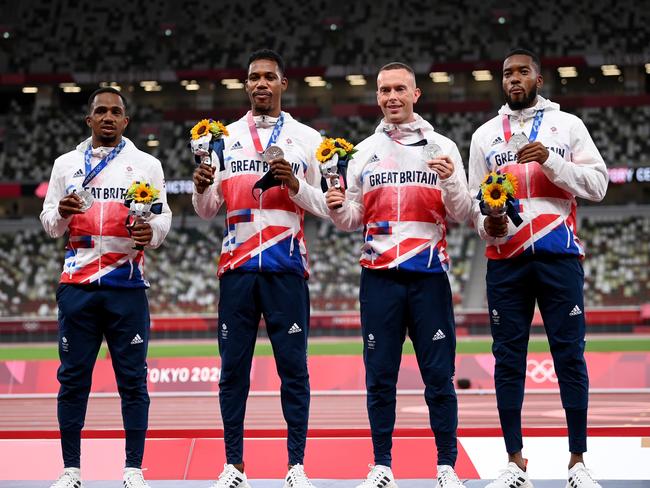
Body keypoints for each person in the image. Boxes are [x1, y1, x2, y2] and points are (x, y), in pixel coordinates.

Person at [325, 62, 472, 488]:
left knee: (439, 378)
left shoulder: (442, 146)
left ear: (415, 94)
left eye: (400, 89)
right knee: (380, 378)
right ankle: (382, 466)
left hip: (428, 277)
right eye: (385, 90)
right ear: (377, 96)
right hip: (379, 278)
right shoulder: (361, 153)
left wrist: (450, 184)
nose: (392, 97)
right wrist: (337, 206)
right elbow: (353, 218)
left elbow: (462, 213)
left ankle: (446, 467)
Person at [468, 48, 608, 488]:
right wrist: (488, 223)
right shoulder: (485, 135)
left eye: (522, 72)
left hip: (558, 258)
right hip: (505, 262)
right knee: (508, 361)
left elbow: (599, 184)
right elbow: (475, 204)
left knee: (570, 356)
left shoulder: (568, 127)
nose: (514, 79)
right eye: (507, 73)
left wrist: (551, 159)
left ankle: (577, 462)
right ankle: (515, 462)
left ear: (538, 79)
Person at [192, 49, 329, 488]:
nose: (261, 84)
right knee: (233, 371)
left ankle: (296, 467)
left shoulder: (309, 139)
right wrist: (199, 188)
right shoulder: (221, 138)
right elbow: (207, 210)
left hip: (287, 269)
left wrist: (294, 183)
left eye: (270, 77)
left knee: (295, 370)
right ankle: (234, 465)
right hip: (236, 269)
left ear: (283, 84)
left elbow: (328, 206)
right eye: (254, 78)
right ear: (246, 85)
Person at [40, 87, 172, 488]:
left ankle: (133, 470)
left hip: (126, 287)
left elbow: (163, 221)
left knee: (132, 381)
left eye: (116, 112)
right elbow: (47, 221)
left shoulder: (146, 164)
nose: (109, 117)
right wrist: (60, 214)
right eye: (101, 111)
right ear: (89, 119)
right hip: (77, 286)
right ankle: (71, 470)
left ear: (126, 121)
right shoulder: (66, 164)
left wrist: (150, 233)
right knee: (73, 380)